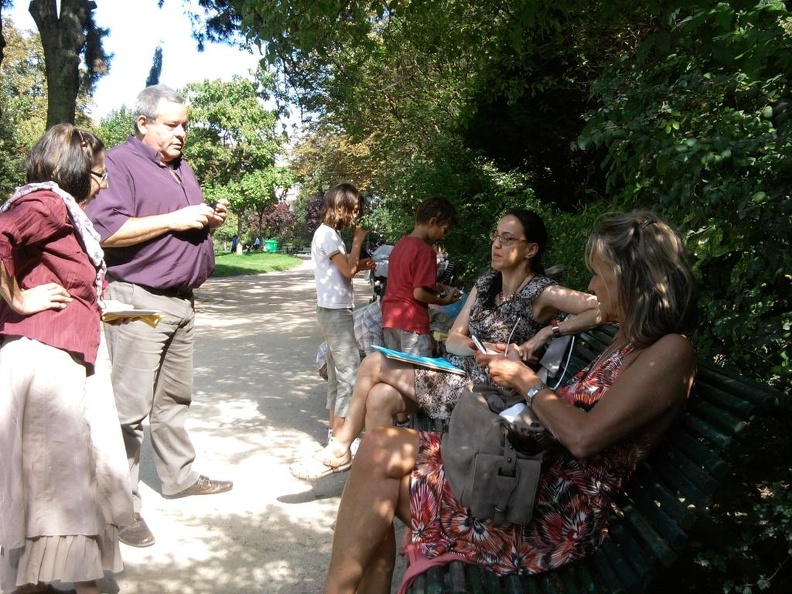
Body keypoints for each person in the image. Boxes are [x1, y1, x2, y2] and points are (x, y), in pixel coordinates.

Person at [323, 210, 698, 593]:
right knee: (376, 446)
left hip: (545, 513)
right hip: (523, 473)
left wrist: (524, 380)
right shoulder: (630, 342)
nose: (592, 284)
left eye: (600, 274)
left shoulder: (670, 353)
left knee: (377, 473)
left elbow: (585, 438)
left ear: (631, 279)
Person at [291, 208, 602, 480]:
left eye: (508, 239)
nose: (496, 243)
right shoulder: (485, 284)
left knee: (373, 363)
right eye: (496, 235)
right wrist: (476, 349)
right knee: (380, 397)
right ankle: (380, 486)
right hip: (458, 375)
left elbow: (603, 306)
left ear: (531, 249)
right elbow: (453, 338)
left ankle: (341, 448)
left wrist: (548, 332)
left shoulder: (540, 291)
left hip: (488, 393)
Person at [86, 84, 233, 549]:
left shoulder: (182, 168)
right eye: (172, 124)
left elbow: (181, 220)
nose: (182, 133)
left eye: (185, 124)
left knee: (175, 399)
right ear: (143, 123)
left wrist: (207, 219)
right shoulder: (119, 164)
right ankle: (119, 508)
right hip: (136, 301)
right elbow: (106, 231)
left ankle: (180, 477)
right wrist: (176, 219)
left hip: (180, 299)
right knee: (128, 411)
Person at [0, 124, 133, 594]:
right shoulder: (47, 202)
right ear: (77, 173)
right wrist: (19, 298)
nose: (104, 185)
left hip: (66, 354)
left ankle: (37, 579)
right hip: (46, 361)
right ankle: (77, 582)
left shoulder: (63, 209)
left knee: (58, 473)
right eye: (100, 175)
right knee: (62, 473)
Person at [310, 182, 376, 449]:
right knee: (350, 372)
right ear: (340, 207)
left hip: (335, 310)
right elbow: (347, 272)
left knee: (338, 376)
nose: (355, 217)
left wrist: (361, 264)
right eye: (353, 210)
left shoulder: (331, 235)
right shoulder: (327, 235)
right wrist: (358, 241)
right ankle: (340, 438)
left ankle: (334, 433)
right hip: (334, 312)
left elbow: (345, 269)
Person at [381, 197, 462, 356]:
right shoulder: (425, 251)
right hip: (412, 323)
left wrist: (433, 286)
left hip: (390, 319)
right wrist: (442, 301)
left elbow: (405, 281)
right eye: (444, 230)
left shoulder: (400, 245)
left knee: (395, 373)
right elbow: (419, 293)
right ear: (432, 222)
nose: (443, 236)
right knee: (416, 377)